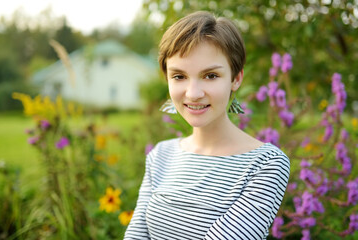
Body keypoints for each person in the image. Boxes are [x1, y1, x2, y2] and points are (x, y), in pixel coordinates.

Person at [124, 11, 290, 240]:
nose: (193, 93)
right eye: (179, 76)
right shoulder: (160, 155)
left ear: (236, 78)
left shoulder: (266, 164)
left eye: (210, 76)